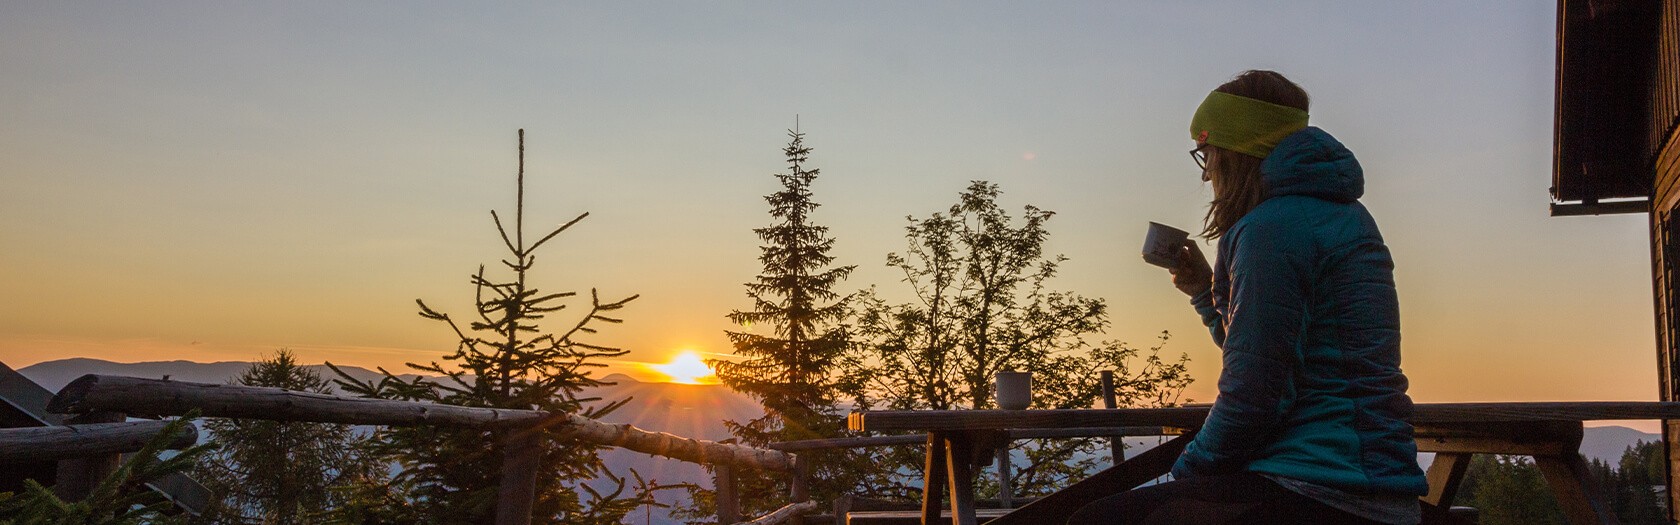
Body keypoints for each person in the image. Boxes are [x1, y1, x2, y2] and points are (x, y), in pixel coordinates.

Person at [1068, 70, 1427, 524]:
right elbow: (1272, 356)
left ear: (1235, 152)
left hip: (1323, 486)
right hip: (1376, 478)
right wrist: (1204, 292)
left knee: (1097, 520)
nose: (1207, 174)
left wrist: (1187, 473)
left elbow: (1254, 394)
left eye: (1207, 153)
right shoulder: (1344, 214)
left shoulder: (1271, 230)